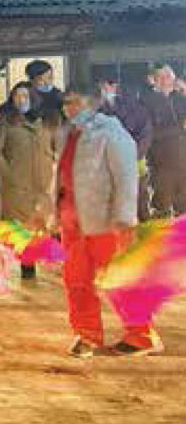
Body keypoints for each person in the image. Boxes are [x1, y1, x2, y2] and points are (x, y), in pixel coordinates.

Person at [57, 87, 162, 357]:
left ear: (94, 103)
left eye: (76, 102)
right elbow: (58, 177)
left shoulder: (112, 134)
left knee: (119, 280)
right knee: (77, 282)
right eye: (66, 103)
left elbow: (126, 178)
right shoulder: (66, 135)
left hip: (105, 223)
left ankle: (141, 335)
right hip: (73, 223)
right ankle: (87, 335)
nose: (69, 108)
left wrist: (125, 218)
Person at [0, 82, 55, 279]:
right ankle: (26, 268)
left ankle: (43, 265)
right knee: (19, 228)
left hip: (42, 184)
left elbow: (53, 147)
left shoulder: (44, 121)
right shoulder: (3, 123)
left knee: (41, 225)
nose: (21, 100)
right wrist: (9, 176)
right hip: (17, 185)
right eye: (17, 96)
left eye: (25, 96)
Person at [97, 77, 153, 220]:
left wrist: (131, 156)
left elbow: (145, 134)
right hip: (108, 167)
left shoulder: (135, 107)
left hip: (133, 164)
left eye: (106, 85)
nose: (103, 89)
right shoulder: (96, 108)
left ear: (115, 86)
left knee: (139, 204)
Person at [139, 63, 186, 216]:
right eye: (163, 77)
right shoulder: (146, 102)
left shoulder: (180, 98)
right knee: (162, 208)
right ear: (153, 80)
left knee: (183, 210)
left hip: (183, 163)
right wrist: (180, 128)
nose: (168, 80)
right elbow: (150, 134)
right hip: (161, 165)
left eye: (170, 76)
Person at [25, 59, 64, 125]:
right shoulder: (24, 96)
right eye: (41, 80)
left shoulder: (58, 95)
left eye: (49, 78)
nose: (47, 83)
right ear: (31, 80)